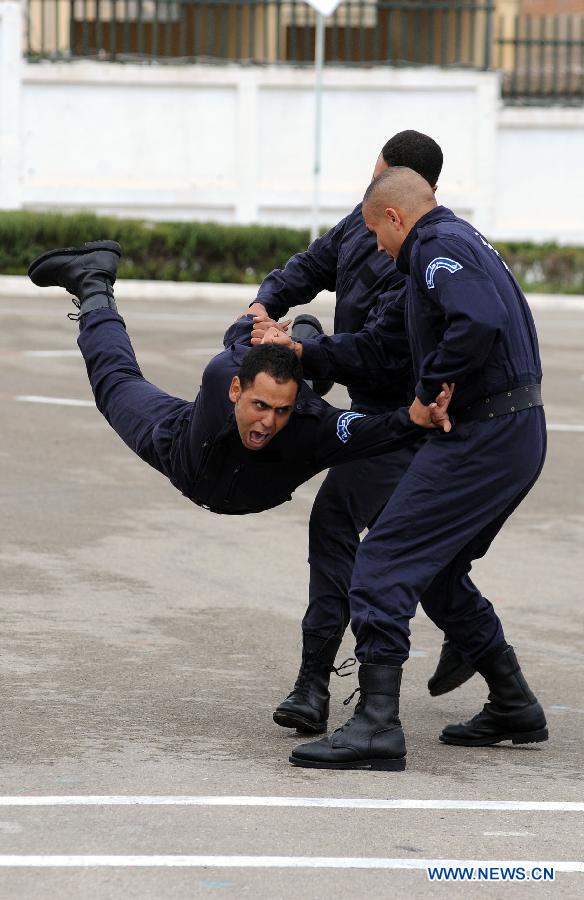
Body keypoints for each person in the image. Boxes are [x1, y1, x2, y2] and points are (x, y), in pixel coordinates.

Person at [289, 167, 548, 771]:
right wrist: (306, 350)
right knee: (436, 571)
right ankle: (514, 702)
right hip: (514, 431)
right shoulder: (465, 240)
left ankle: (378, 724)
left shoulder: (431, 246)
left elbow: (478, 321)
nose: (378, 249)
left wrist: (432, 388)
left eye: (379, 235)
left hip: (484, 434)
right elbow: (384, 348)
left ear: (396, 218)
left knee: (382, 559)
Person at [247, 130, 473, 736]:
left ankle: (315, 683)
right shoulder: (362, 219)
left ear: (402, 194)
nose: (368, 201)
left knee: (353, 534)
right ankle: (498, 674)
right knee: (421, 554)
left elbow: (378, 353)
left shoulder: (422, 256)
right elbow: (311, 265)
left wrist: (304, 348)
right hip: (374, 414)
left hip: (404, 422)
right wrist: (266, 304)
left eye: (378, 181)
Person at [27, 241, 453, 520]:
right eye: (260, 406)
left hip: (255, 487)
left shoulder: (313, 426)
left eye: (280, 410)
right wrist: (258, 324)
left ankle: (302, 345)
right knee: (115, 384)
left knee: (293, 383)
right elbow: (237, 336)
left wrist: (417, 417)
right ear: (236, 391)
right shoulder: (222, 376)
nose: (267, 422)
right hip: (180, 447)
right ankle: (93, 281)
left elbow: (375, 431)